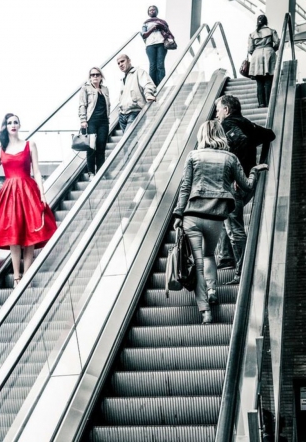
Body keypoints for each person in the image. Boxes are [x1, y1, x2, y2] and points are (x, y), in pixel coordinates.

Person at [173, 120, 268, 324]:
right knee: (209, 256)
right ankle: (212, 289)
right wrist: (254, 171)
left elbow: (185, 187)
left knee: (198, 263)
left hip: (192, 216)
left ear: (201, 136)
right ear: (220, 134)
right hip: (216, 217)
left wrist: (178, 214)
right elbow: (246, 185)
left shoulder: (193, 156)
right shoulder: (230, 158)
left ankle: (205, 311)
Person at [0, 113, 57, 286]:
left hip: (28, 190)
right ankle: (17, 277)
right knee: (14, 234)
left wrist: (43, 193)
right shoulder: (0, 148)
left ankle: (27, 274)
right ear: (6, 126)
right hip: (10, 193)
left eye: (15, 122)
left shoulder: (30, 144)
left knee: (30, 233)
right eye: (9, 122)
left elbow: (38, 172)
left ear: (19, 125)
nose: (13, 125)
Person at [216, 94, 275, 284]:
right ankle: (226, 257)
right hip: (248, 181)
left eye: (218, 110)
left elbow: (240, 141)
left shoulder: (227, 125)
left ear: (226, 110)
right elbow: (269, 135)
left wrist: (236, 173)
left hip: (236, 184)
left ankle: (242, 272)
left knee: (235, 228)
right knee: (224, 218)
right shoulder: (245, 123)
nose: (217, 114)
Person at [78, 67, 111, 180]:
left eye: (97, 74)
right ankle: (91, 172)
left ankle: (101, 172)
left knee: (101, 147)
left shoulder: (105, 89)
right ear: (90, 77)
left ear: (101, 76)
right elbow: (82, 105)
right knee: (91, 148)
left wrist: (108, 119)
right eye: (92, 75)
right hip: (91, 121)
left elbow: (108, 105)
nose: (95, 76)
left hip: (104, 122)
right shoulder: (86, 89)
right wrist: (83, 120)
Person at [116, 54, 156, 133]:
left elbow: (148, 84)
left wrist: (148, 94)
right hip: (122, 115)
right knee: (130, 143)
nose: (120, 64)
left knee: (127, 142)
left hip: (135, 112)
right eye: (118, 63)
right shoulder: (124, 79)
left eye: (122, 61)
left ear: (129, 61)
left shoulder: (139, 72)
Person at [248, 14, 280, 108]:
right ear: (266, 22)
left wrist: (255, 53)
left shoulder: (252, 34)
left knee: (259, 82)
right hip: (269, 53)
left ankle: (261, 103)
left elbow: (250, 49)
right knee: (268, 80)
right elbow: (277, 42)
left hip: (256, 55)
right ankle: (269, 102)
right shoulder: (271, 31)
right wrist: (273, 49)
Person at [141, 5, 174, 87]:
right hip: (150, 45)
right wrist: (153, 28)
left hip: (161, 44)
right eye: (150, 10)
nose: (152, 11)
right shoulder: (146, 23)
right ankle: (152, 86)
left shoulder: (162, 22)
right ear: (148, 13)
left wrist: (161, 26)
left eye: (154, 9)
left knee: (160, 65)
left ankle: (162, 85)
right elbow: (144, 35)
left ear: (157, 11)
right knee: (152, 66)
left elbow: (168, 33)